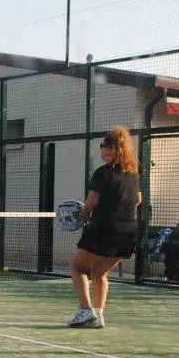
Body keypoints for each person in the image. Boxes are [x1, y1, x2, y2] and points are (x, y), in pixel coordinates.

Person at [67, 125, 141, 328]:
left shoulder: (102, 173)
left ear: (121, 150)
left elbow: (91, 203)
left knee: (78, 267)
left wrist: (84, 215)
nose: (107, 150)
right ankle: (98, 316)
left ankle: (85, 311)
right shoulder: (133, 174)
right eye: (104, 146)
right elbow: (138, 200)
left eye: (112, 147)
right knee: (100, 273)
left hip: (103, 229)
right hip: (128, 233)